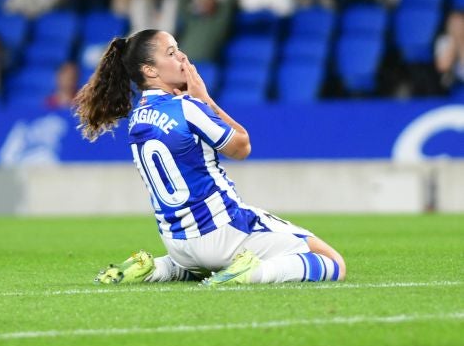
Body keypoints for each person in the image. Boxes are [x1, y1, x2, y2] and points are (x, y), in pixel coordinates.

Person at [74, 30, 347, 286]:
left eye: (179, 50)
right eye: (170, 53)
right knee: (332, 262)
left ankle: (154, 268)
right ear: (150, 70)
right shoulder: (188, 108)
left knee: (198, 262)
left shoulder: (136, 119)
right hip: (224, 231)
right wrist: (206, 100)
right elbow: (242, 147)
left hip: (177, 244)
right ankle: (254, 272)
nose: (182, 57)